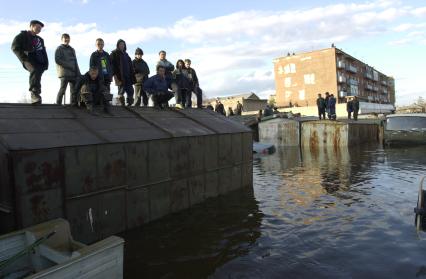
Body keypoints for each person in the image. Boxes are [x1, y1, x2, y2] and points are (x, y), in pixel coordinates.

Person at [11, 20, 48, 104]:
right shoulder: (22, 36)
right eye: (38, 27)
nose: (39, 29)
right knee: (34, 70)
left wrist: (45, 62)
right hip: (27, 59)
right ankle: (34, 94)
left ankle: (37, 95)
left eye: (40, 28)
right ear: (31, 26)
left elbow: (43, 51)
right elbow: (14, 47)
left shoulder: (40, 39)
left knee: (37, 75)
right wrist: (23, 57)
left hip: (39, 61)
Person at [54, 33, 80, 105]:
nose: (66, 40)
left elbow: (75, 61)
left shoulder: (72, 49)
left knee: (74, 90)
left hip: (73, 73)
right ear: (62, 39)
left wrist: (78, 72)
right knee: (62, 90)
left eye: (68, 38)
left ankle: (73, 104)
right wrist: (69, 65)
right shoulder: (59, 49)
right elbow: (57, 60)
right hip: (64, 73)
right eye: (65, 38)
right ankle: (58, 104)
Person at [110, 39, 135, 106]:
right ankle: (121, 104)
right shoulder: (114, 53)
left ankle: (129, 104)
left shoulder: (126, 54)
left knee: (131, 90)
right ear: (118, 45)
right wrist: (114, 75)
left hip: (128, 75)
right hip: (120, 76)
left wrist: (132, 74)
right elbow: (112, 65)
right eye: (120, 44)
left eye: (123, 44)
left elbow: (130, 65)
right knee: (121, 91)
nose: (122, 46)